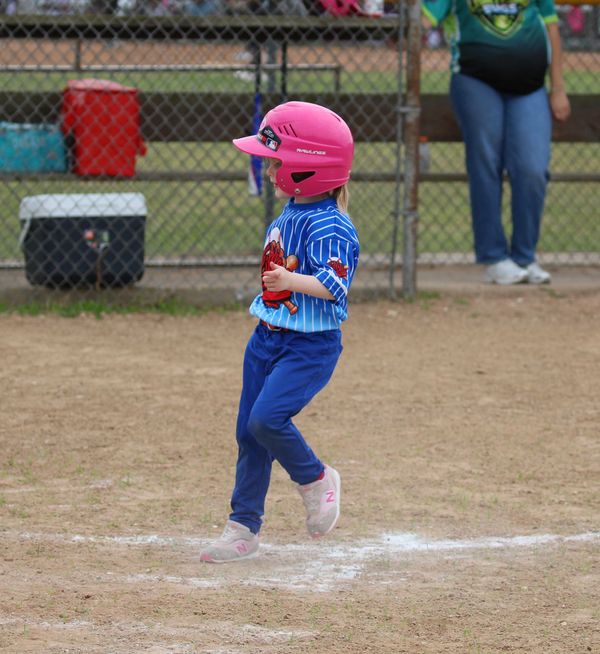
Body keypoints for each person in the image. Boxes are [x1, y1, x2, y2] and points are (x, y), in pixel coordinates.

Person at [200, 101, 359, 563]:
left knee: (266, 420)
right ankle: (242, 527)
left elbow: (334, 285)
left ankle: (315, 479)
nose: (269, 172)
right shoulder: (290, 213)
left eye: (276, 163)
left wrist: (290, 280)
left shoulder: (331, 224)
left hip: (308, 346)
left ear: (309, 167)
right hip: (266, 338)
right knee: (249, 434)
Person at [422, 0, 571, 284]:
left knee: (532, 168)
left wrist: (558, 88)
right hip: (475, 80)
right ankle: (494, 256)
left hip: (530, 86)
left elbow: (551, 28)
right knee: (486, 164)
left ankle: (525, 256)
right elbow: (425, 20)